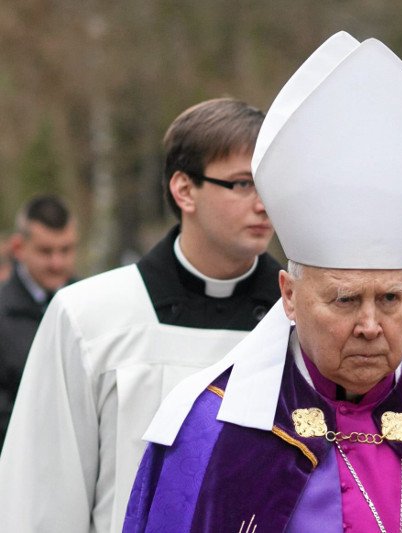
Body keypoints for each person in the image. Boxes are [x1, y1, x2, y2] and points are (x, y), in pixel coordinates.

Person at [123, 31, 402, 532]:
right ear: (289, 296)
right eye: (346, 300)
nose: (371, 324)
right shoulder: (214, 428)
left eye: (390, 298)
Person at [0, 98, 282, 532]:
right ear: (184, 189)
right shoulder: (89, 317)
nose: (264, 204)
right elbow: (42, 494)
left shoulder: (301, 323)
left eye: (270, 183)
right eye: (243, 184)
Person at [0, 195, 78, 447]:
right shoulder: (3, 312)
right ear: (19, 248)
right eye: (46, 251)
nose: (57, 263)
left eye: (65, 250)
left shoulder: (89, 305)